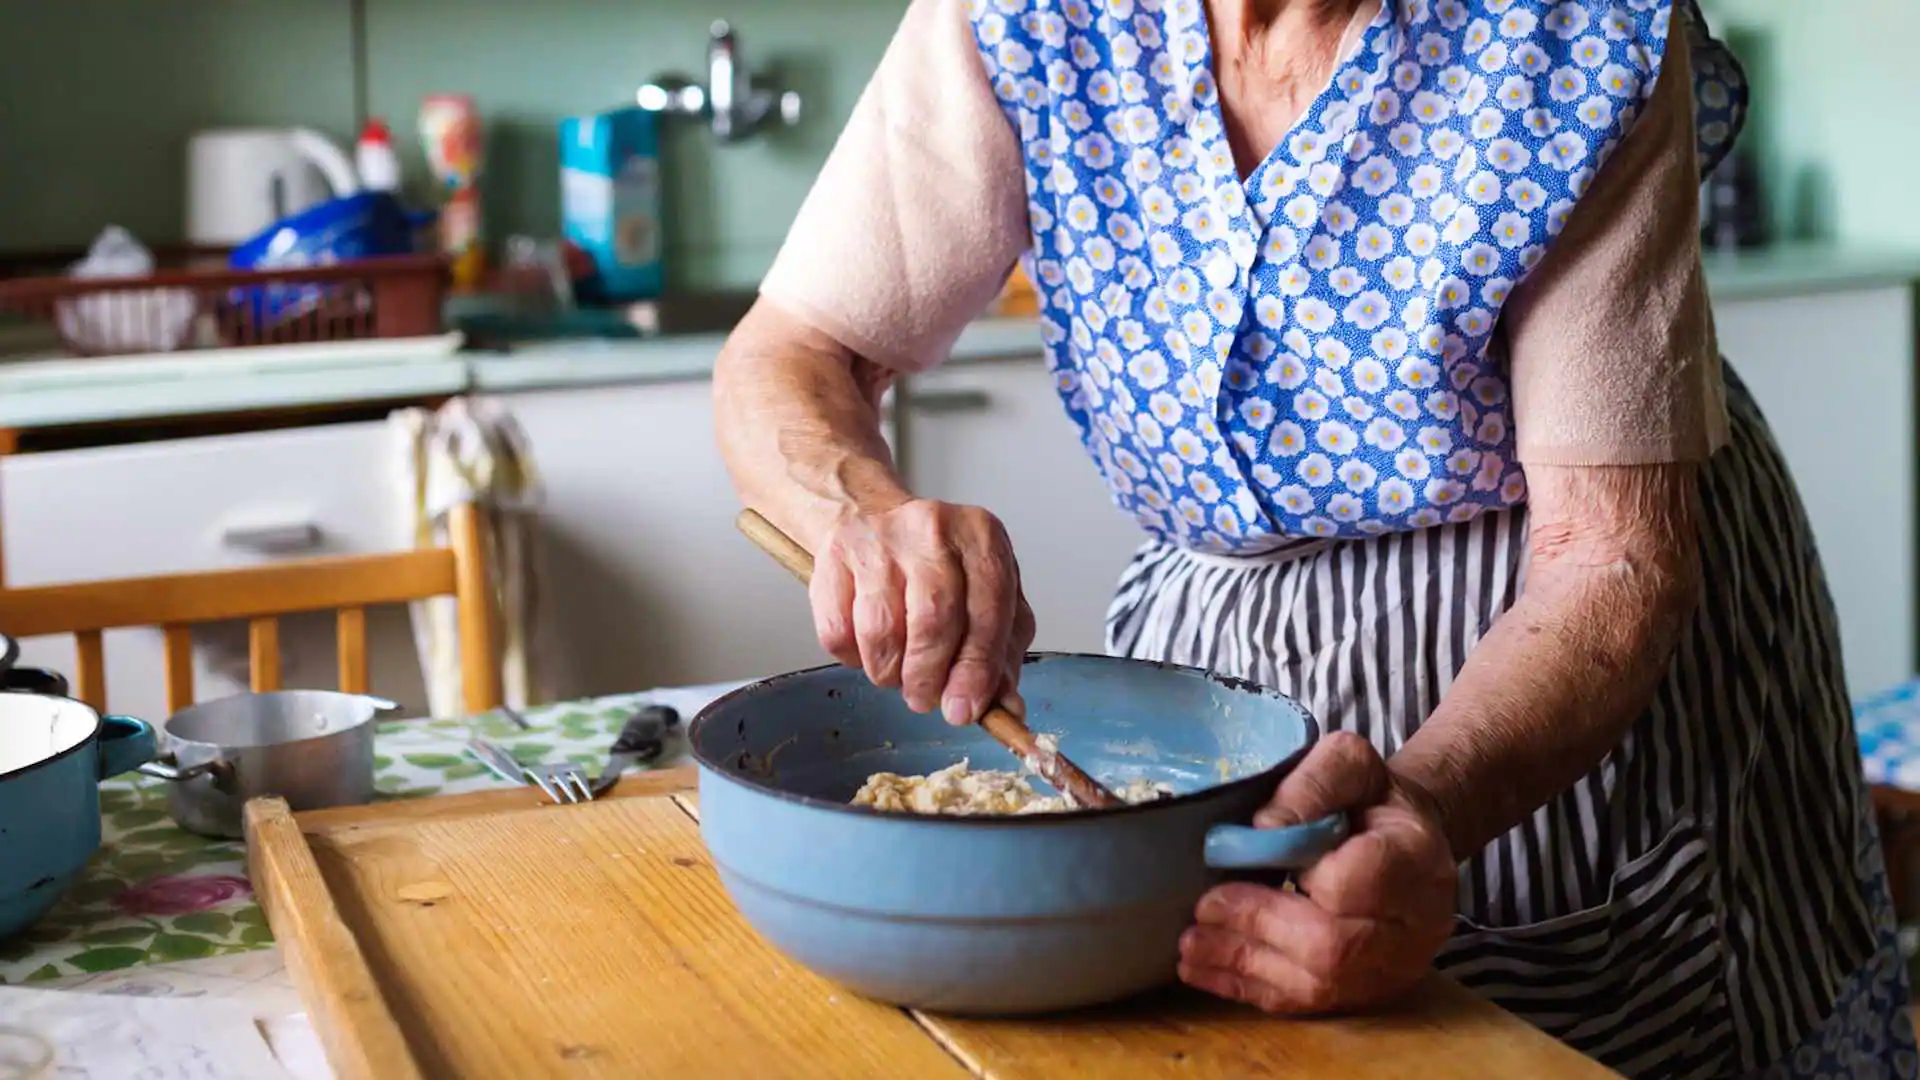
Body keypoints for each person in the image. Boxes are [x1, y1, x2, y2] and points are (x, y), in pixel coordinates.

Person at [712, 0, 1914, 1075]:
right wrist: (857, 514)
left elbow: (1609, 558)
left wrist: (1426, 807)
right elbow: (795, 351)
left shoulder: (1579, 30)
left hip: (1564, 671)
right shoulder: (1019, 18)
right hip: (1233, 661)